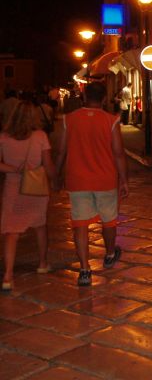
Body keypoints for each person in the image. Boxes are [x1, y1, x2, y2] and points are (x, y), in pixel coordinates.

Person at [55, 82, 129, 286]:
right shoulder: (111, 120)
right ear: (104, 99)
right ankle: (110, 254)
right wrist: (124, 180)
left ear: (84, 97)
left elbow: (61, 151)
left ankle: (85, 270)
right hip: (105, 180)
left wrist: (57, 174)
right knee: (109, 221)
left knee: (80, 225)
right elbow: (118, 153)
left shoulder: (69, 119)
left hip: (77, 180)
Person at [0, 101, 56, 290]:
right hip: (36, 187)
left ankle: (8, 275)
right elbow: (48, 164)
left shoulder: (4, 137)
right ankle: (42, 263)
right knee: (40, 225)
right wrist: (55, 180)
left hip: (13, 187)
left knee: (11, 231)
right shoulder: (40, 136)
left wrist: (13, 169)